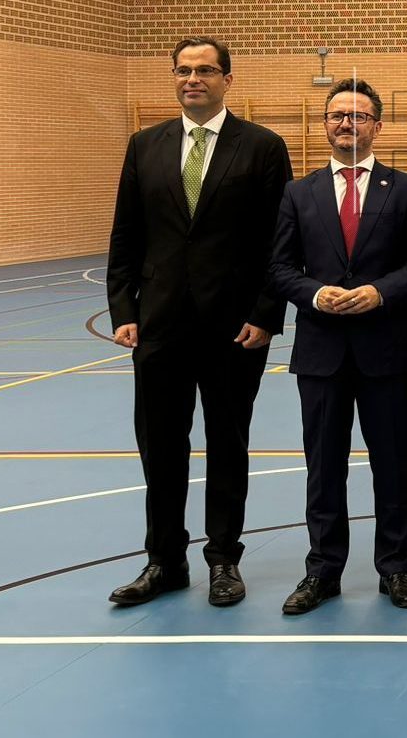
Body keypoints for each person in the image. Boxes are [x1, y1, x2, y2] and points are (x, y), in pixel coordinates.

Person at [105, 36, 292, 607]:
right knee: (159, 447)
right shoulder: (145, 146)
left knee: (227, 446)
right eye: (184, 70)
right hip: (160, 327)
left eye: (206, 70)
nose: (193, 79)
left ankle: (223, 560)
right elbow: (126, 236)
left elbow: (277, 244)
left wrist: (266, 315)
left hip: (235, 330)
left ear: (227, 81)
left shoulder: (261, 147)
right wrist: (124, 311)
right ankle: (164, 560)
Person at [267, 79, 407, 614]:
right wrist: (316, 294)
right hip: (321, 352)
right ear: (324, 125)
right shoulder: (299, 193)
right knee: (324, 467)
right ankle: (323, 570)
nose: (348, 124)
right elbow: (277, 267)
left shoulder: (406, 188)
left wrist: (379, 293)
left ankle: (395, 568)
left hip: (385, 348)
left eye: (359, 116)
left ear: (377, 126)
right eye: (338, 115)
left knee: (393, 462)